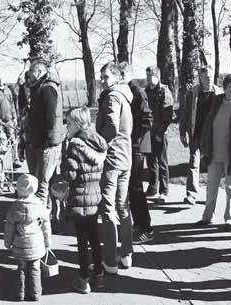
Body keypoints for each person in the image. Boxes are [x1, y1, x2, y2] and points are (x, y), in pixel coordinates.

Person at [197, 73, 231, 231]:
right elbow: (208, 124)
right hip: (214, 153)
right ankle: (207, 217)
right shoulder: (216, 102)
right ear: (225, 88)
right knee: (211, 187)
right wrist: (204, 145)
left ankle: (229, 219)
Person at [61, 107, 107, 293]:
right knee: (94, 238)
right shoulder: (98, 143)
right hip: (95, 196)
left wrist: (65, 164)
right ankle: (99, 274)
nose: (67, 126)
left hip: (79, 197)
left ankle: (83, 278)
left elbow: (70, 174)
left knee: (82, 241)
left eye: (69, 123)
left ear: (78, 124)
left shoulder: (75, 145)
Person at [96, 61, 134, 274]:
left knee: (109, 208)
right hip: (125, 157)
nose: (102, 81)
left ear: (116, 78)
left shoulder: (112, 96)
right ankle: (126, 254)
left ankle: (110, 260)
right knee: (122, 206)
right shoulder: (125, 97)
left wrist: (96, 144)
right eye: (101, 77)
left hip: (112, 158)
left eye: (106, 77)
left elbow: (111, 127)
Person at [119, 62, 155, 244]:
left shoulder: (137, 92)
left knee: (136, 188)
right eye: (119, 73)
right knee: (129, 189)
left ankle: (146, 228)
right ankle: (137, 224)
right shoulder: (121, 92)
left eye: (123, 73)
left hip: (135, 149)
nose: (120, 75)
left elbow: (147, 120)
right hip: (124, 148)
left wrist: (134, 140)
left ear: (130, 74)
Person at [25, 59, 66, 211]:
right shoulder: (39, 87)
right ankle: (49, 216)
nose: (29, 75)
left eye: (31, 72)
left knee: (42, 184)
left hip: (47, 144)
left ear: (39, 72)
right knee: (42, 183)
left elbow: (50, 119)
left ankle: (42, 221)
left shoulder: (47, 89)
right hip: (41, 142)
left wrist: (42, 140)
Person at [4, 174, 51, 301]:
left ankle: (20, 294)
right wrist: (47, 242)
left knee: (21, 269)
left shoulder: (14, 208)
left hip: (20, 244)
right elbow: (46, 226)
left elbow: (9, 228)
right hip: (36, 244)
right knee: (35, 269)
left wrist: (7, 243)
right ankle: (36, 294)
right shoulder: (40, 206)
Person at [179, 65, 221, 205]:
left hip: (212, 136)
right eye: (206, 76)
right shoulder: (193, 93)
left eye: (210, 76)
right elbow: (185, 113)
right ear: (200, 78)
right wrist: (182, 132)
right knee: (193, 164)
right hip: (196, 134)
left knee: (212, 166)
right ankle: (191, 195)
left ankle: (211, 195)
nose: (209, 78)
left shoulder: (219, 94)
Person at [145, 66, 173, 201]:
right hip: (147, 132)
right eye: (147, 76)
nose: (149, 78)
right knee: (151, 162)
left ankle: (164, 190)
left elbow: (168, 115)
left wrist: (160, 132)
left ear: (157, 76)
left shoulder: (164, 91)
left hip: (160, 133)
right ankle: (152, 188)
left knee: (162, 162)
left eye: (151, 76)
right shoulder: (145, 92)